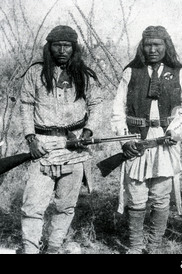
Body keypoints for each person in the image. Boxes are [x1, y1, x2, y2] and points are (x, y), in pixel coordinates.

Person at [20, 25, 102, 254]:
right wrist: (31, 140)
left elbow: (97, 104)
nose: (62, 50)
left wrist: (88, 131)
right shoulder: (35, 73)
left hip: (74, 148)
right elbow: (26, 107)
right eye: (57, 45)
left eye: (67, 46)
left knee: (65, 206)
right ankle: (30, 249)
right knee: (33, 206)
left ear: (74, 48)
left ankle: (54, 246)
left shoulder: (84, 74)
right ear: (49, 47)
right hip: (43, 147)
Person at [111, 26, 182, 254]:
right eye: (148, 45)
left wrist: (175, 130)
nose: (153, 49)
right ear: (142, 46)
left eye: (158, 45)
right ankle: (136, 247)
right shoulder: (131, 72)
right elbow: (117, 109)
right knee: (136, 196)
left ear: (166, 46)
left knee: (160, 194)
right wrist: (124, 140)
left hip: (165, 142)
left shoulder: (179, 73)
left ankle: (154, 246)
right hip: (137, 140)